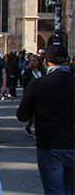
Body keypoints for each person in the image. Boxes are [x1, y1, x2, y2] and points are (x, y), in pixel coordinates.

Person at [17, 44, 74, 195]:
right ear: (67, 61)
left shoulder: (38, 84)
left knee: (54, 191)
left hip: (50, 144)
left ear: (47, 62)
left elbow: (22, 115)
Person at [20, 53, 45, 136]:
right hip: (32, 94)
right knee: (34, 113)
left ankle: (29, 126)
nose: (34, 63)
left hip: (42, 94)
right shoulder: (27, 72)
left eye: (35, 61)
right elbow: (24, 82)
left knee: (39, 113)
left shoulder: (43, 71)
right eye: (32, 61)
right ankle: (35, 128)